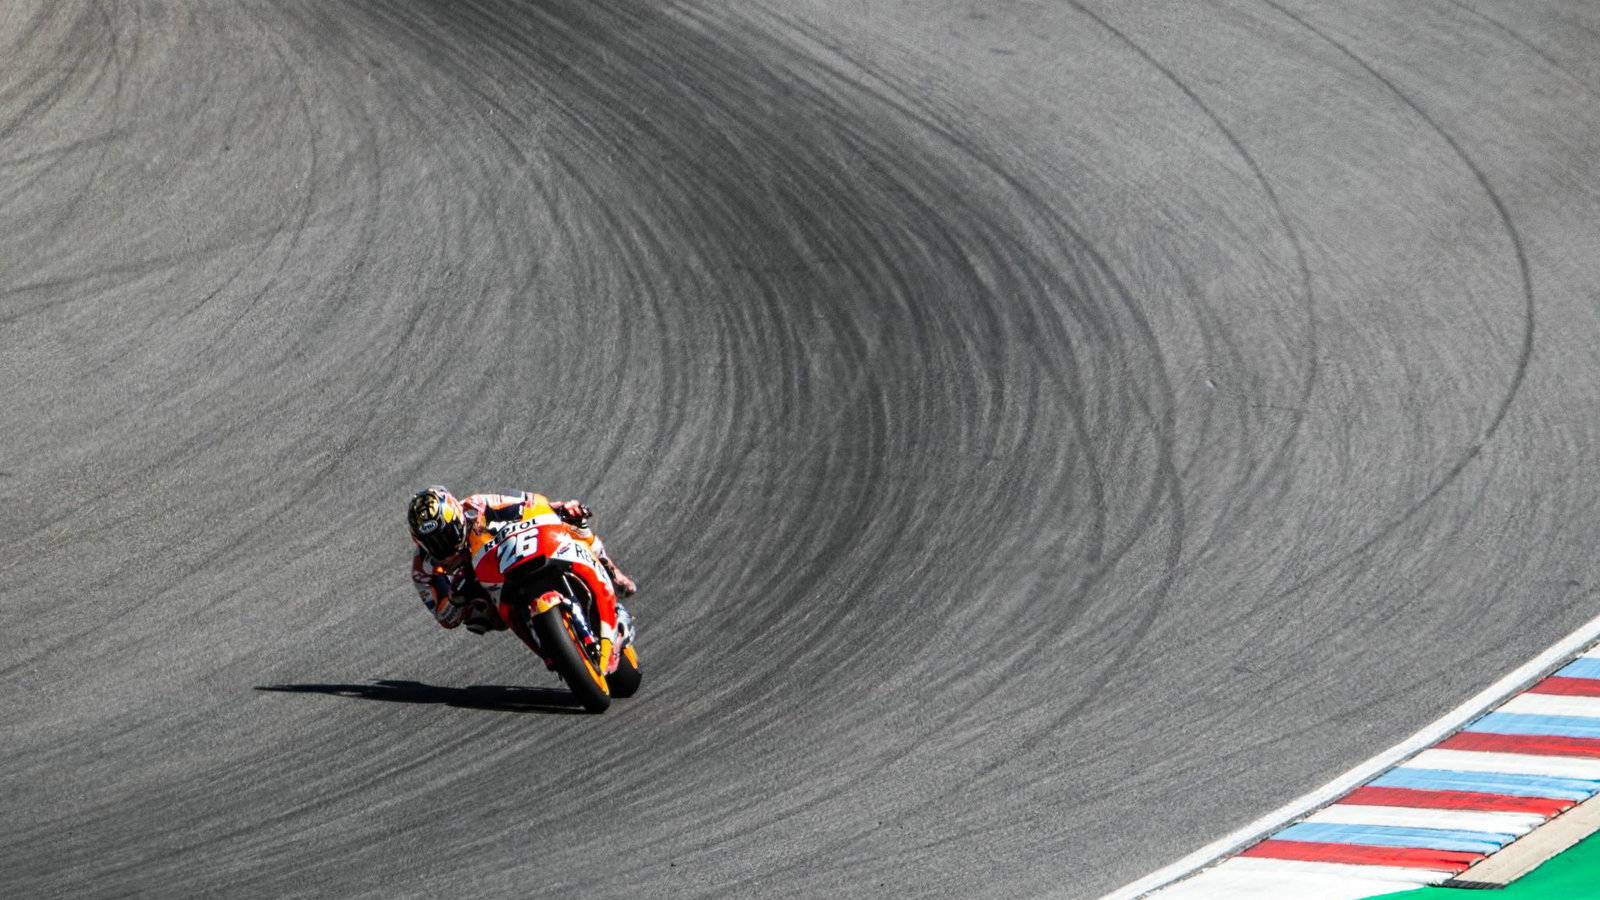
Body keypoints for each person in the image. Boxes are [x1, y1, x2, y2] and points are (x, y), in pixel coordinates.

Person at [405, 486, 637, 636]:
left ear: (458, 518)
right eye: (433, 542)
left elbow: (530, 503)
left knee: (572, 523)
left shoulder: (477, 505)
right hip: (482, 585)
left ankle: (611, 571)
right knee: (478, 619)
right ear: (419, 542)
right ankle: (543, 635)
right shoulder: (422, 568)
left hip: (510, 550)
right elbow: (445, 618)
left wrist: (559, 508)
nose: (444, 545)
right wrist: (456, 599)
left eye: (447, 534)